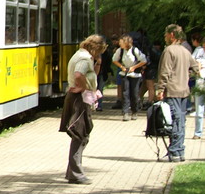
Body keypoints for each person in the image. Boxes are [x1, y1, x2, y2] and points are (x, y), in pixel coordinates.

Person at [59, 34, 108, 184]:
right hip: (79, 99)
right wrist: (82, 87)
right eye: (99, 51)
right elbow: (79, 74)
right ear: (95, 48)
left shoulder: (82, 55)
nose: (100, 54)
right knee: (80, 135)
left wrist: (97, 64)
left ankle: (72, 172)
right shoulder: (84, 59)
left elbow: (89, 74)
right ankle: (76, 174)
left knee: (82, 134)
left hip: (79, 98)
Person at [155, 24, 199, 162]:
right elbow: (196, 67)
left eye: (166, 34)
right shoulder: (185, 51)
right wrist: (186, 76)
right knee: (181, 120)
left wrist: (160, 88)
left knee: (174, 120)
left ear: (172, 35)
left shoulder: (169, 51)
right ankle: (180, 150)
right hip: (184, 91)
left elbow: (165, 71)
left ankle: (174, 151)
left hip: (172, 90)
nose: (165, 37)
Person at [112, 35, 147, 121]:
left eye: (121, 42)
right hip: (125, 74)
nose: (119, 43)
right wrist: (121, 66)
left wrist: (134, 67)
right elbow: (114, 59)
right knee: (125, 93)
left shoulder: (135, 50)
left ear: (126, 43)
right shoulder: (120, 51)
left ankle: (134, 111)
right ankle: (125, 112)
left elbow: (144, 60)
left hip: (135, 74)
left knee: (134, 93)